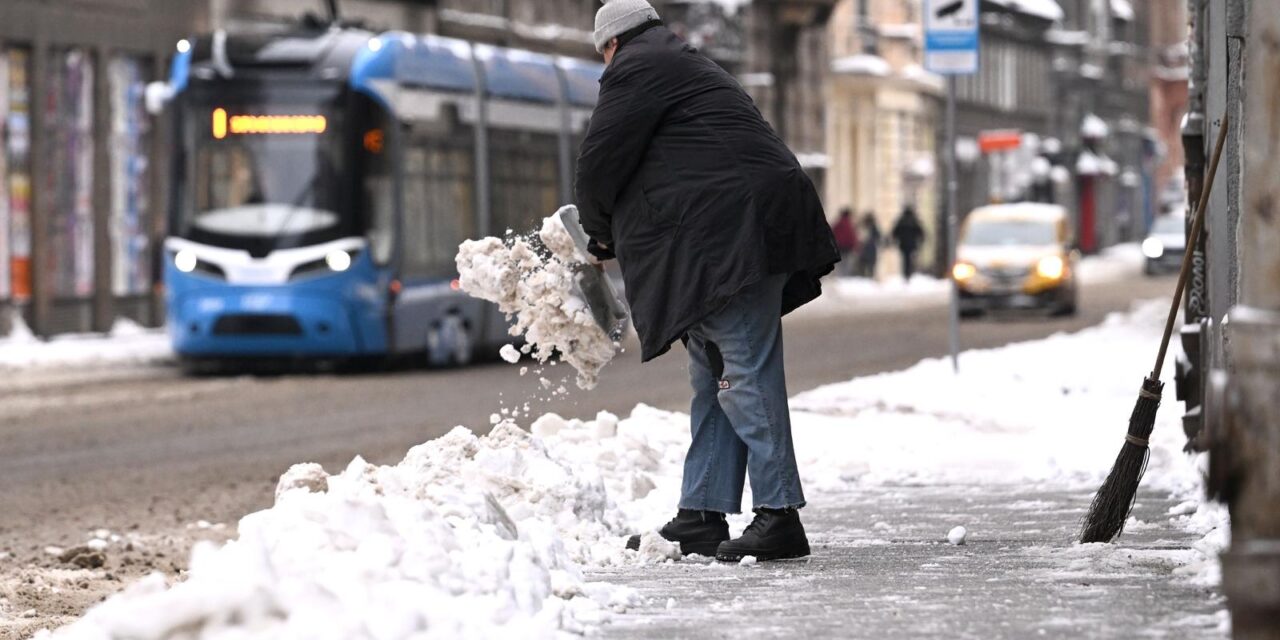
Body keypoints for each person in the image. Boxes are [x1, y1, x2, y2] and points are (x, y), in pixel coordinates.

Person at [575, 0, 839, 562]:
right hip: (735, 229)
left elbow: (600, 161)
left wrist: (598, 235)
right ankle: (702, 512)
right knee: (715, 372)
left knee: (743, 368)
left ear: (611, 44)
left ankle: (780, 515)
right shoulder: (683, 60)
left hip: (731, 235)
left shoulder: (637, 67)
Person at [891, 205, 925, 281]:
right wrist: (920, 239)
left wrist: (895, 239)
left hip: (903, 244)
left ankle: (906, 273)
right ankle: (909, 273)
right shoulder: (913, 220)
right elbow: (920, 231)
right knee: (910, 259)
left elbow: (895, 232)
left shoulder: (902, 220)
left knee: (905, 259)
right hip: (911, 244)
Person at [831, 208, 860, 276]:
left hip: (839, 247)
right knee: (847, 263)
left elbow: (832, 233)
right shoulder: (850, 224)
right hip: (848, 248)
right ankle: (845, 276)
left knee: (840, 263)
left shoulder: (838, 223)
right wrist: (856, 247)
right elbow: (853, 237)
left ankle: (841, 276)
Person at [858, 212, 881, 278]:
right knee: (871, 264)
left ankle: (863, 276)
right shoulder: (873, 227)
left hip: (864, 247)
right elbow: (878, 236)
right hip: (871, 248)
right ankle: (869, 276)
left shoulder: (862, 226)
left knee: (863, 264)